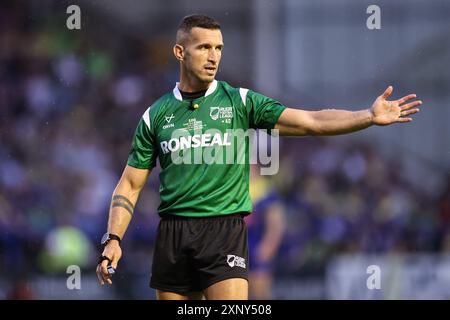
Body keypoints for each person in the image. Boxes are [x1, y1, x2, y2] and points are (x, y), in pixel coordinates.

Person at [96, 14, 422, 300]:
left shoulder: (240, 102)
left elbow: (309, 122)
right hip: (172, 234)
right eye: (204, 47)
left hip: (223, 230)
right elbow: (129, 184)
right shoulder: (156, 115)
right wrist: (113, 239)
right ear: (180, 52)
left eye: (219, 48)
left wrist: (367, 115)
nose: (213, 57)